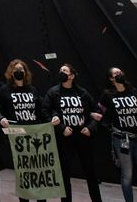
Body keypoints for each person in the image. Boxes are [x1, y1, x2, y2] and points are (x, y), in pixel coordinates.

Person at [0, 59, 55, 202]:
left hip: (34, 133)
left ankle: (41, 199)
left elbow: (42, 109)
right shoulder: (4, 90)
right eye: (15, 69)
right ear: (11, 72)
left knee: (38, 170)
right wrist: (0, 117)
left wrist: (52, 118)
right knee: (23, 173)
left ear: (25, 72)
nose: (18, 71)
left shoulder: (32, 89)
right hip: (17, 135)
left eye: (21, 69)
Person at [43, 64, 103, 202]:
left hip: (83, 137)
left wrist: (91, 128)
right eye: (60, 71)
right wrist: (61, 128)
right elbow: (45, 112)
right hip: (65, 138)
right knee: (64, 175)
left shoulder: (82, 93)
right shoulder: (53, 92)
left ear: (72, 75)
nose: (61, 73)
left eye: (64, 71)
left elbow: (98, 112)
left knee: (91, 174)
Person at [98, 67, 137, 202]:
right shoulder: (107, 95)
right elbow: (99, 110)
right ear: (111, 79)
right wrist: (93, 115)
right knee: (127, 176)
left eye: (121, 72)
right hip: (122, 139)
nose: (120, 74)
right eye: (116, 73)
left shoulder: (133, 91)